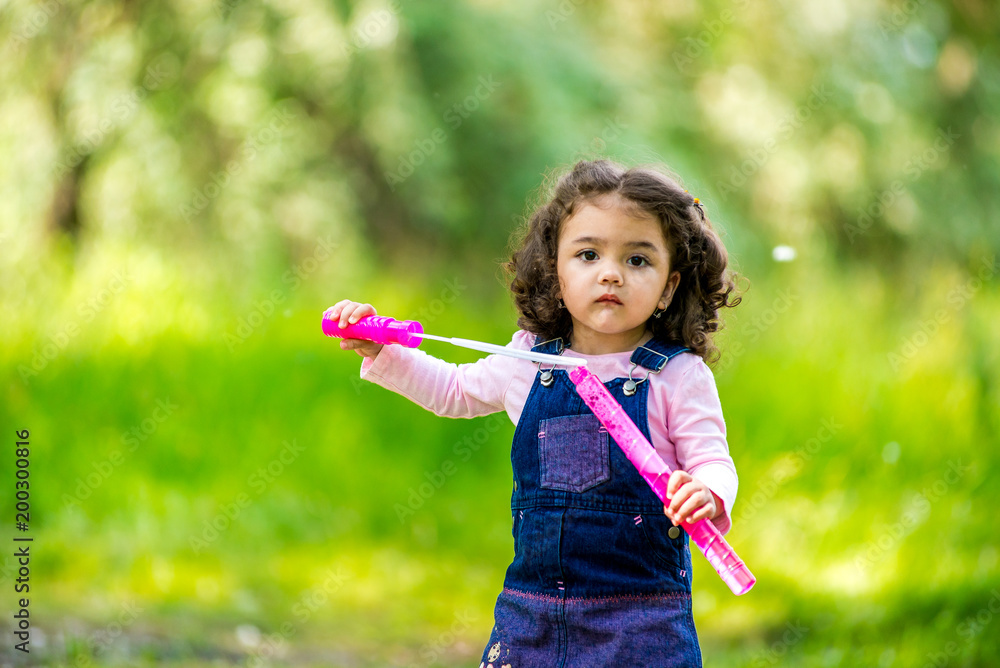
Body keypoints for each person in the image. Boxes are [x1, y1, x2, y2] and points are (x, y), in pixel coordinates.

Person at [328, 158, 742, 667]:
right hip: (533, 615)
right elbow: (454, 389)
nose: (610, 272)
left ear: (669, 287)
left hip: (641, 621)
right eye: (588, 254)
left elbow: (713, 462)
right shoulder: (530, 358)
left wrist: (707, 492)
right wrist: (381, 350)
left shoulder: (676, 375)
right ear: (556, 272)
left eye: (637, 260)